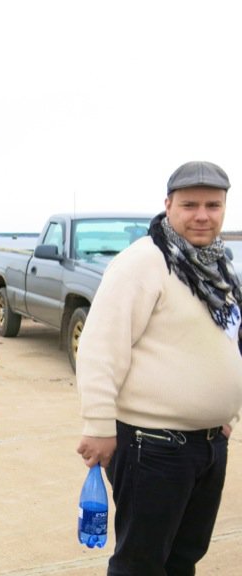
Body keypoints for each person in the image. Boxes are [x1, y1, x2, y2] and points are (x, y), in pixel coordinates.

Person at [76, 160, 242, 575]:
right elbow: (100, 347)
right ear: (168, 205)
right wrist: (98, 426)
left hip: (207, 446)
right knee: (141, 565)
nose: (202, 215)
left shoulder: (218, 266)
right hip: (152, 448)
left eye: (213, 205)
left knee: (184, 558)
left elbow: (226, 342)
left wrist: (224, 414)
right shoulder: (144, 262)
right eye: (190, 205)